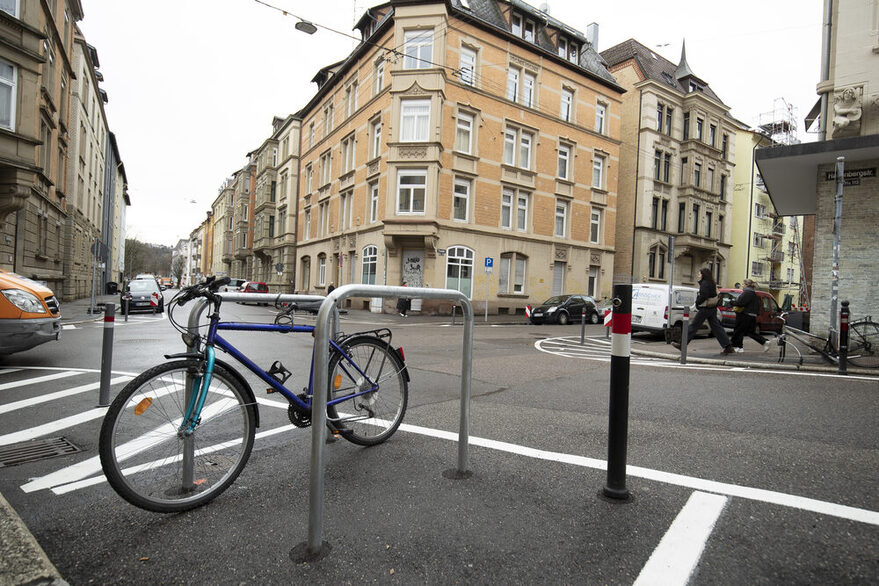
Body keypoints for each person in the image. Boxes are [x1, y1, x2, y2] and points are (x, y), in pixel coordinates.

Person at [672, 268, 735, 354]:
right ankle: (728, 346)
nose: (698, 275)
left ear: (703, 275)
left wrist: (697, 302)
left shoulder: (705, 284)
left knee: (693, 326)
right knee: (717, 328)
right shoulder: (711, 283)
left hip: (705, 308)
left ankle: (681, 344)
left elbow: (704, 296)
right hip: (712, 308)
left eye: (699, 274)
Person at [730, 279, 772, 353]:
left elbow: (741, 302)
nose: (742, 285)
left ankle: (737, 347)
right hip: (752, 315)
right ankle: (764, 342)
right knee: (750, 332)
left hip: (744, 314)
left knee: (738, 330)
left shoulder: (747, 292)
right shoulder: (753, 293)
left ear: (746, 284)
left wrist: (731, 302)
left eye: (743, 284)